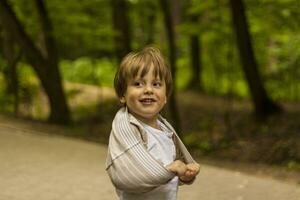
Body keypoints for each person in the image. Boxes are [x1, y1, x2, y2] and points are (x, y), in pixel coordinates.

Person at [106, 46, 200, 200]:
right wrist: (168, 170)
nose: (148, 90)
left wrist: (186, 174)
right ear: (122, 94)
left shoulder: (166, 130)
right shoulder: (127, 130)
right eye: (138, 84)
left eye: (156, 84)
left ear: (165, 97)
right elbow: (124, 178)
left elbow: (175, 171)